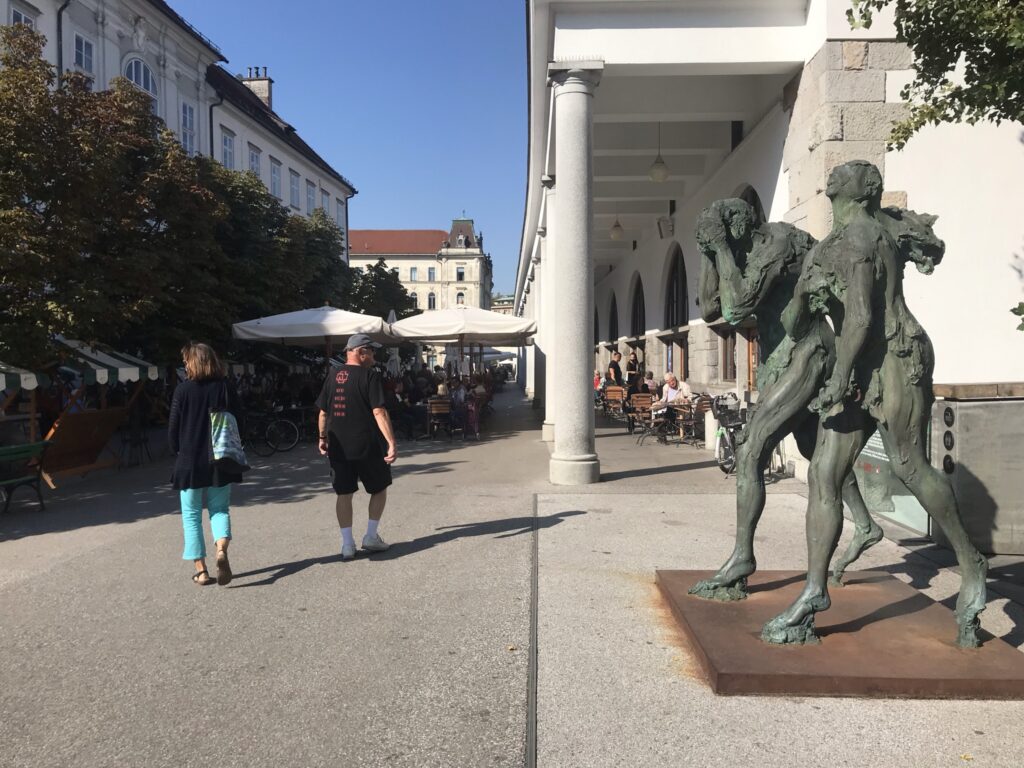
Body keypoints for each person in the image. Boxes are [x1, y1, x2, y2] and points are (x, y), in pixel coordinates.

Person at [317, 334, 398, 561]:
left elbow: (323, 412)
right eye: (371, 351)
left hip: (338, 446)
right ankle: (371, 536)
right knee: (379, 487)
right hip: (367, 444)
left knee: (344, 493)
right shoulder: (369, 376)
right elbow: (379, 411)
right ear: (360, 352)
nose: (374, 356)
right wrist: (391, 442)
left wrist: (322, 437)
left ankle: (347, 544)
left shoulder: (332, 376)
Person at [168, 343, 242, 587]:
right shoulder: (225, 387)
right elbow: (240, 419)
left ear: (191, 363)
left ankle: (201, 571)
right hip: (219, 459)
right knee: (219, 509)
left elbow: (173, 428)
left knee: (191, 516)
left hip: (190, 461)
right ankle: (221, 549)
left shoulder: (183, 390)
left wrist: (176, 450)